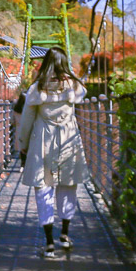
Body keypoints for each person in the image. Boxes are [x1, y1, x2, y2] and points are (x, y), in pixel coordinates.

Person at [17, 46, 89, 258]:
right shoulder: (74, 87)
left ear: (45, 63)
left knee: (44, 189)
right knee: (68, 187)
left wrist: (23, 143)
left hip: (43, 142)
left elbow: (27, 120)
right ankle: (65, 235)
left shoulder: (37, 88)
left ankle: (49, 242)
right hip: (68, 140)